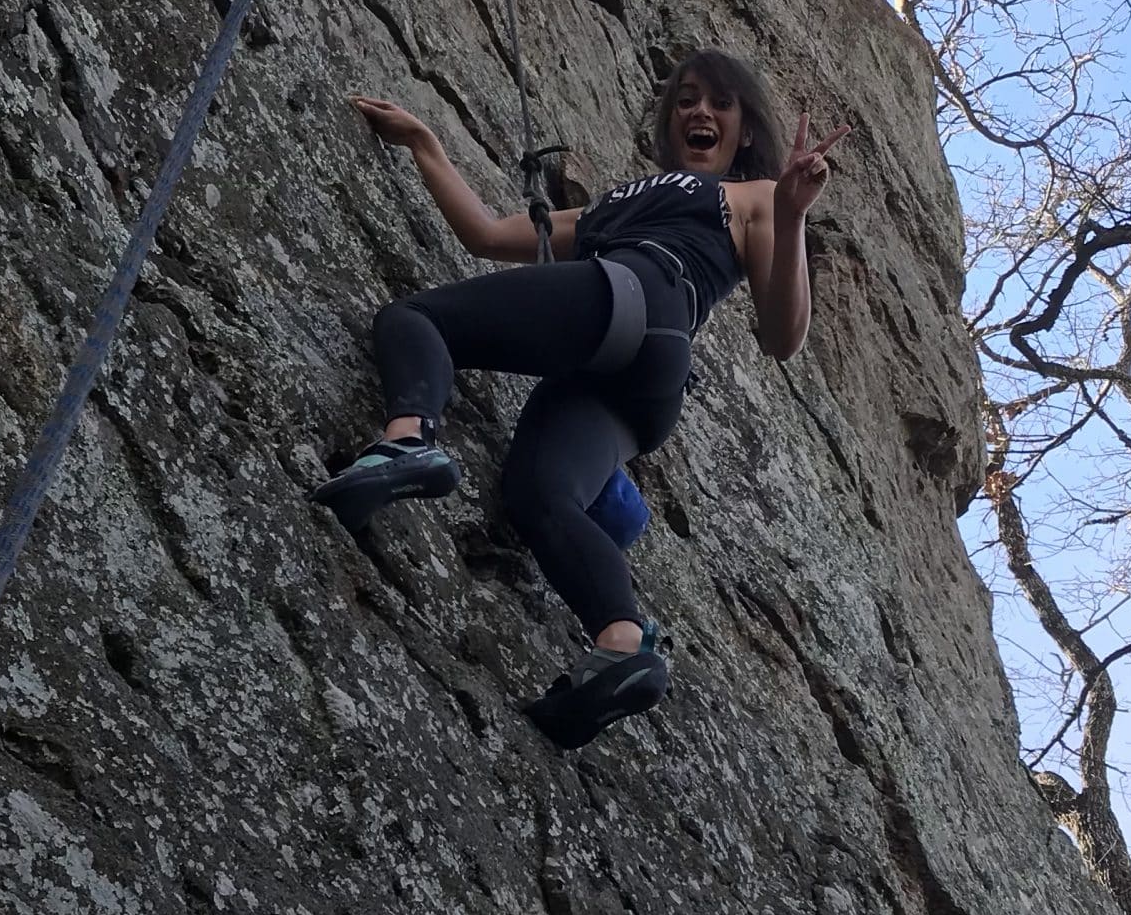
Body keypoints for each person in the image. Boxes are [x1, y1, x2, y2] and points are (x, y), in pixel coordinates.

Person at [312, 49, 850, 747]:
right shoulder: (611, 205)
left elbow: (783, 337)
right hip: (642, 384)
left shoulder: (752, 197)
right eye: (686, 99)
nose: (699, 112)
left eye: (720, 104)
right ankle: (622, 642)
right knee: (539, 498)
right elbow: (486, 233)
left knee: (415, 320)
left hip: (637, 296)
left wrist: (792, 212)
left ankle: (407, 440)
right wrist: (426, 144)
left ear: (744, 132)